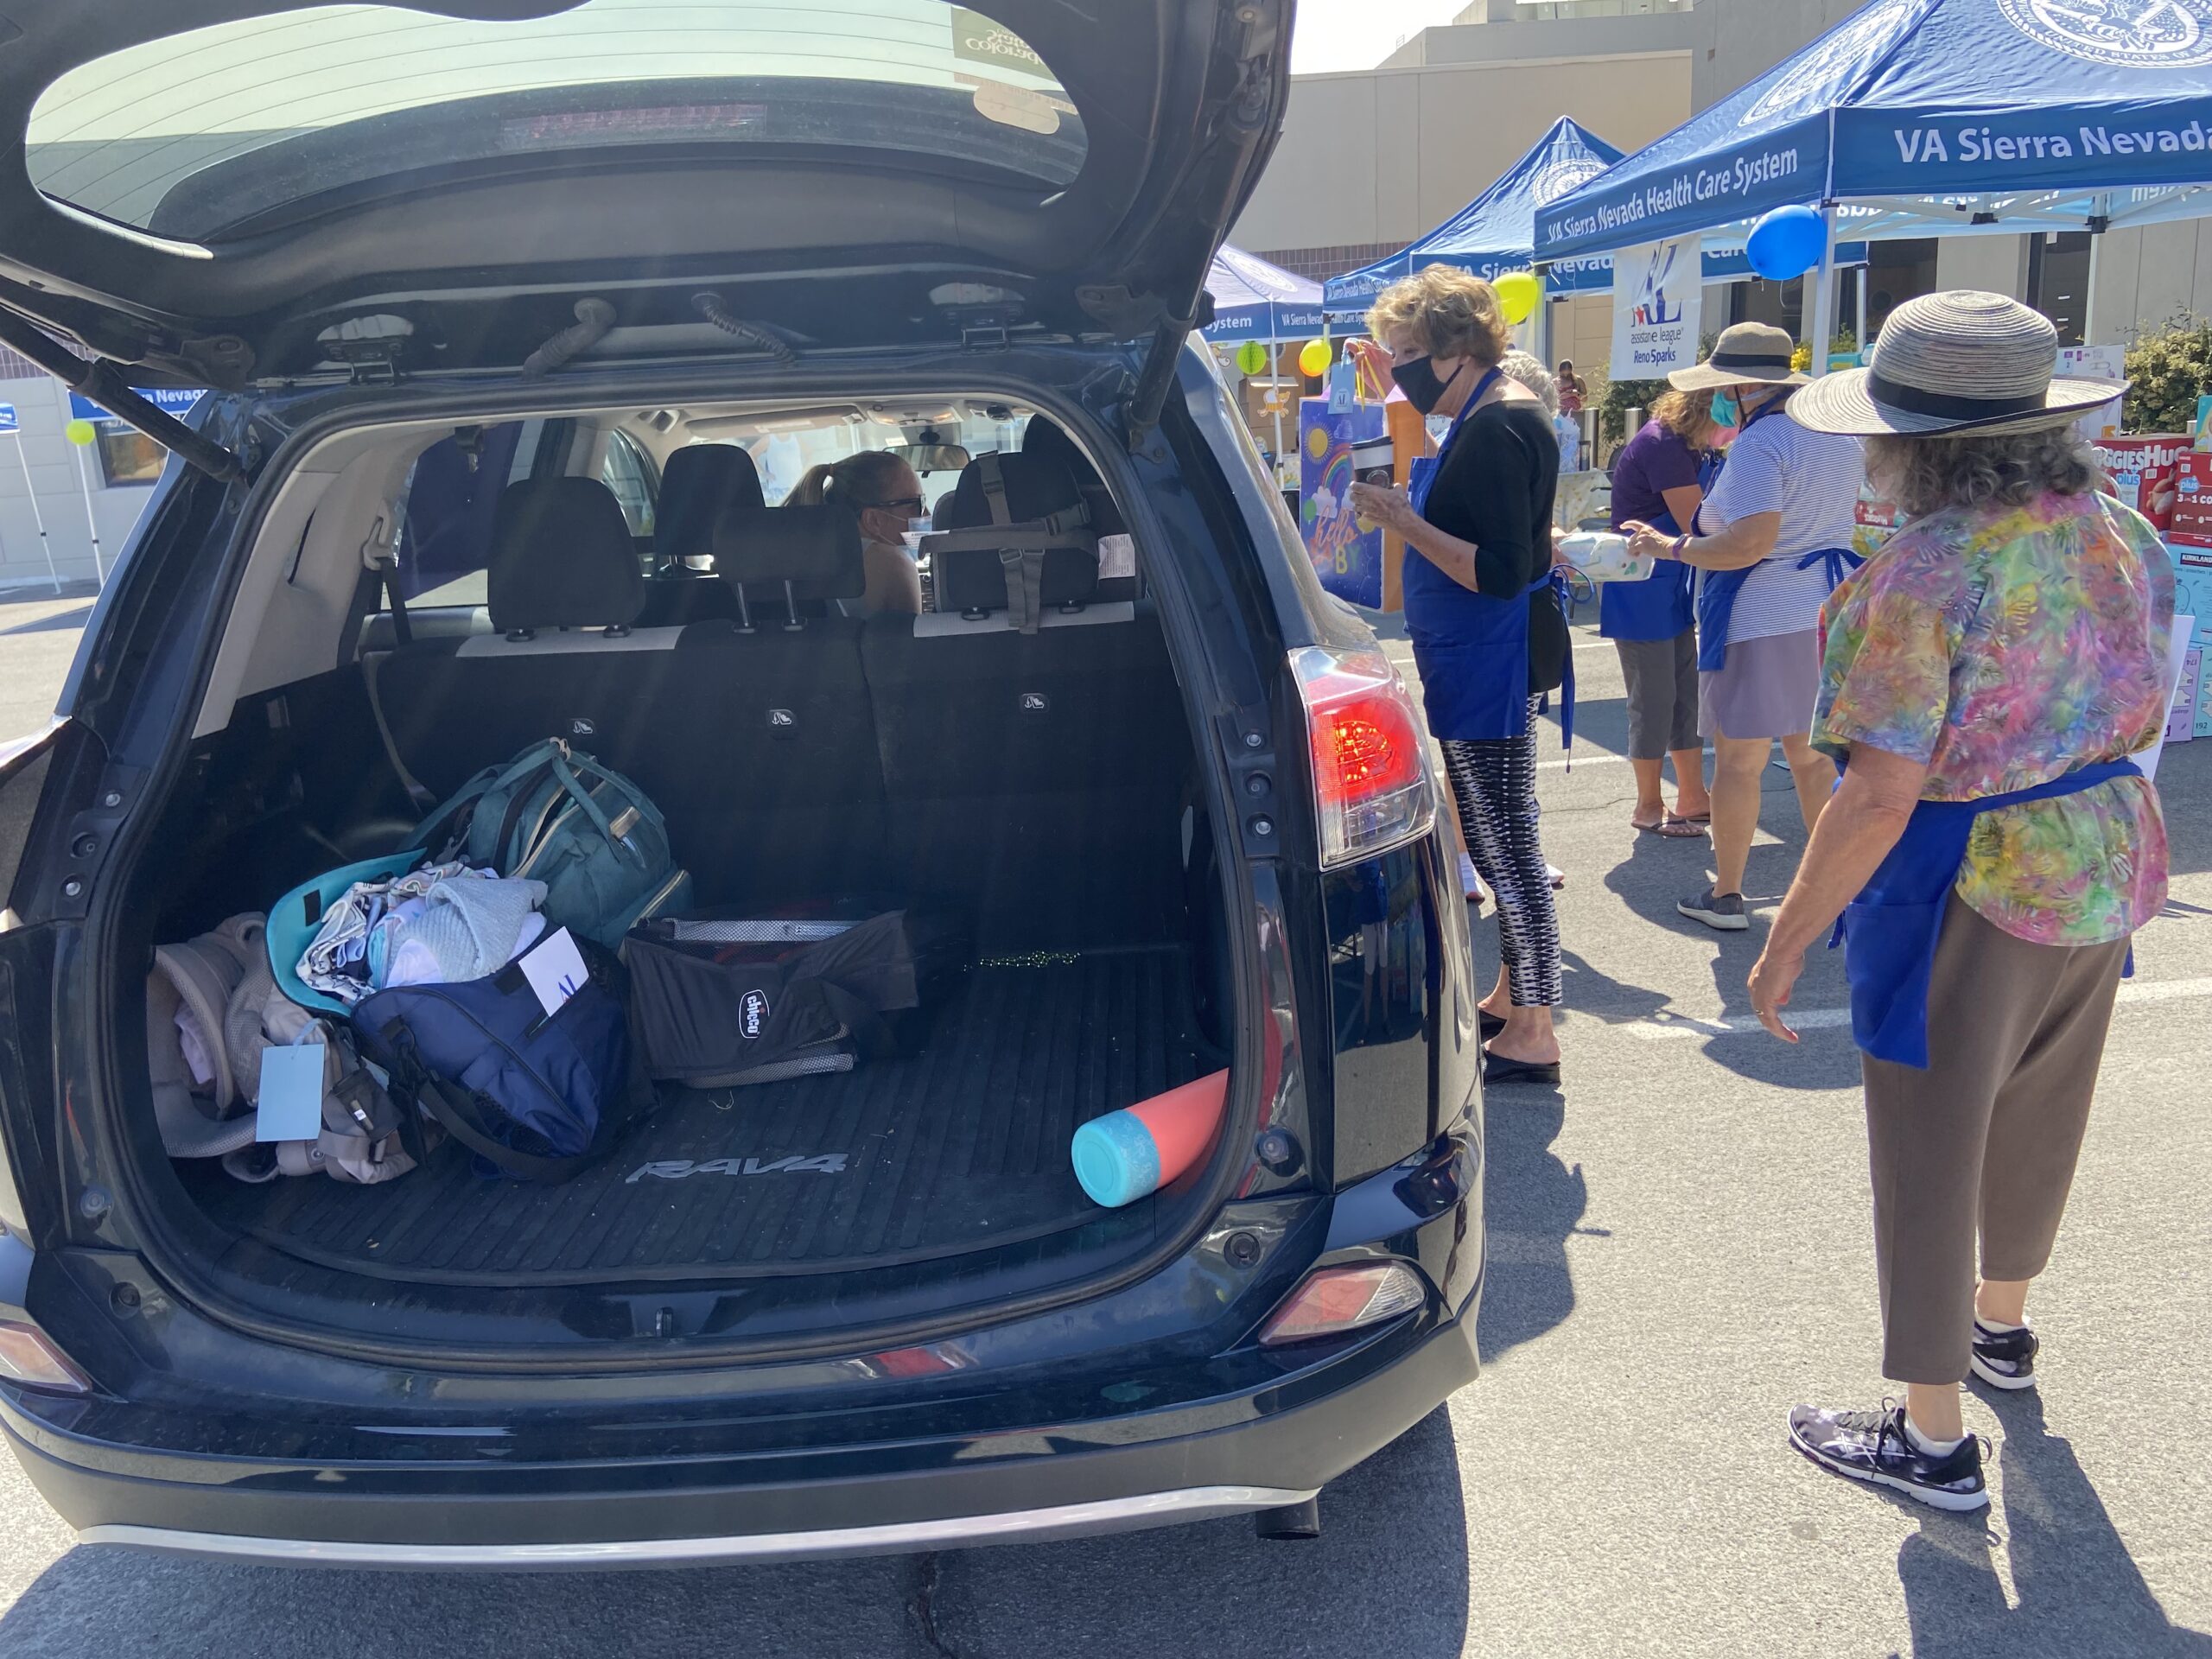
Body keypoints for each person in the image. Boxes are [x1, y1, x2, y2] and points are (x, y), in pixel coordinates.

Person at [1742, 291, 2171, 1511]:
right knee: (2043, 1106)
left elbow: (1879, 791)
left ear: (1905, 438)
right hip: (2098, 852)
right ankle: (2002, 1329)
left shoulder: (1925, 568)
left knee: (1929, 1143)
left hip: (1968, 874)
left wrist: (1784, 940)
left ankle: (1931, 1440)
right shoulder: (2116, 528)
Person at [1349, 267, 1568, 1087]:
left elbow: (1505, 570)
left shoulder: (1498, 427)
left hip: (1488, 664)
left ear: (1456, 350)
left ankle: (1536, 1029)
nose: (1401, 369)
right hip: (1470, 662)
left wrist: (1404, 520)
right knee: (1496, 836)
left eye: (1409, 353)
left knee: (1507, 847)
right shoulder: (1484, 417)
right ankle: (1517, 997)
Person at [1622, 321, 1864, 932]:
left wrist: (1669, 548)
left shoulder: (1761, 444)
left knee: (1738, 763)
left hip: (1760, 616)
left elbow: (1748, 543)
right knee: (1812, 762)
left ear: (1744, 387)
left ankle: (1727, 894)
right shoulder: (1837, 436)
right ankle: (1828, 887)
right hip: (1820, 612)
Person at [1606, 390, 1719, 837]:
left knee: (1682, 694)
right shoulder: (1663, 446)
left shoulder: (1686, 444)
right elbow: (1700, 523)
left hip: (1669, 585)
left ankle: (1692, 796)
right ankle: (1648, 804)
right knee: (1652, 700)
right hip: (1642, 590)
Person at [788, 450, 925, 617]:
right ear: (873, 520)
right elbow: (910, 642)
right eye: (917, 504)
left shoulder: (796, 557)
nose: (927, 515)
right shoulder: (894, 563)